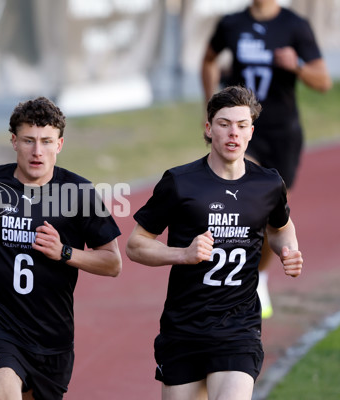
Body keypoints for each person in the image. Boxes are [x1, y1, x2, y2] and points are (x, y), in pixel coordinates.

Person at [0, 96, 122, 399]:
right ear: (14, 141)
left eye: (46, 141)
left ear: (59, 145)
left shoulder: (78, 193)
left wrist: (66, 252)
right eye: (28, 140)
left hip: (52, 338)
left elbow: (113, 263)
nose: (37, 151)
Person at [126, 86, 303, 400]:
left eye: (241, 125)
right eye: (224, 124)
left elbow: (281, 227)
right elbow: (136, 245)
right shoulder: (180, 183)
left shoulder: (268, 184)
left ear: (251, 131)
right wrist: (182, 253)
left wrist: (287, 250)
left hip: (238, 327)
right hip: (184, 328)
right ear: (208, 129)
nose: (233, 133)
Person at [201, 0, 331, 318]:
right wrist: (211, 108)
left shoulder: (294, 25)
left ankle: (257, 276)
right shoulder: (232, 23)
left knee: (270, 212)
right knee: (242, 200)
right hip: (243, 132)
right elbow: (208, 61)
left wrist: (296, 64)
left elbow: (323, 81)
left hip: (281, 133)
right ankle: (224, 278)